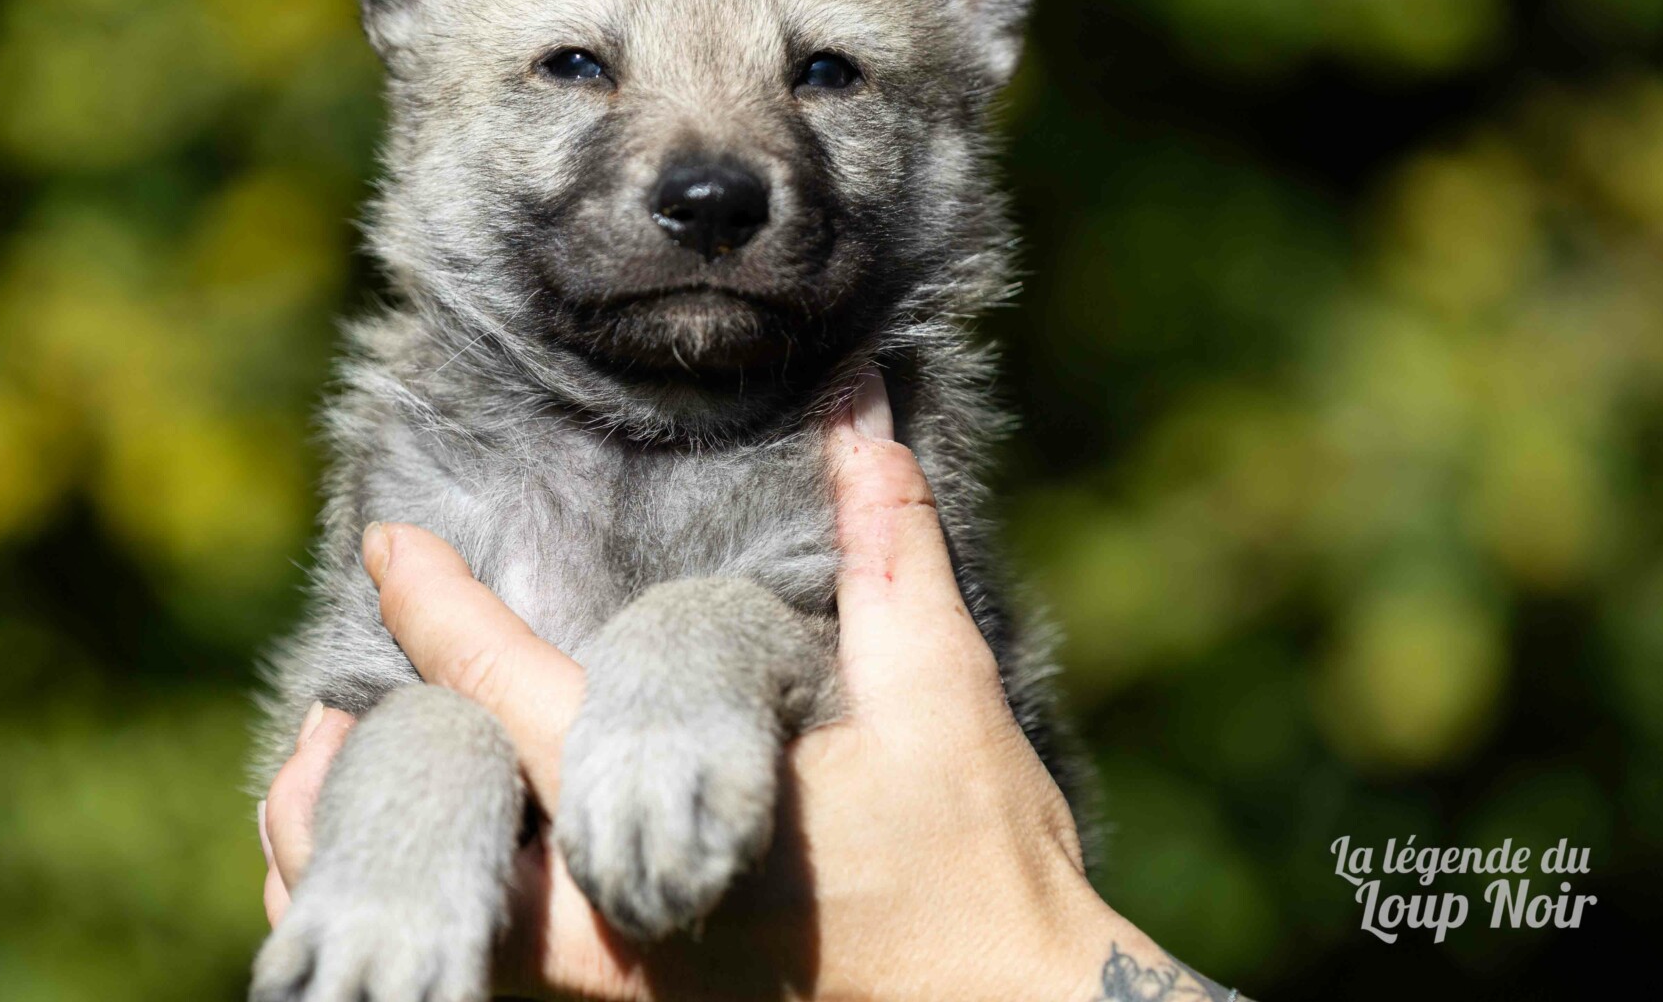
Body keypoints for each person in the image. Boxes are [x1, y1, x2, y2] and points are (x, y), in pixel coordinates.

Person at [256, 378, 1245, 1001]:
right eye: (575, 81)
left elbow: (879, 744)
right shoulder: (426, 442)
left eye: (820, 96)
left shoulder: (869, 427)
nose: (715, 174)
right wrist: (415, 780)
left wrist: (1002, 957)